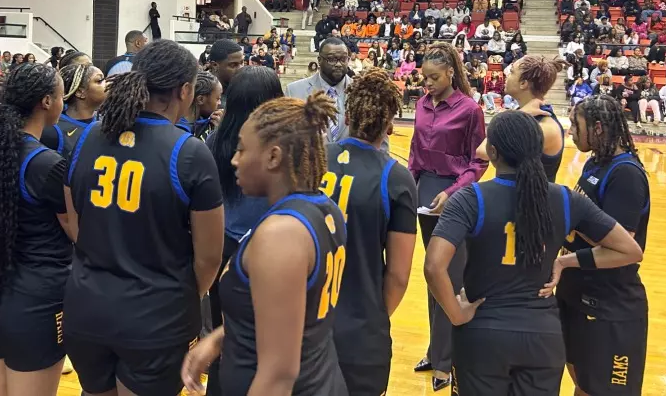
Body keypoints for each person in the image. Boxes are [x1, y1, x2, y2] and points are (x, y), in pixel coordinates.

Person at [425, 110, 643, 396]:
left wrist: (456, 314)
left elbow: (434, 266)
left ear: (493, 152)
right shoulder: (565, 198)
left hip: (484, 333)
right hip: (543, 336)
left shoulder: (471, 198)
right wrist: (566, 261)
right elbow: (630, 250)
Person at [62, 40, 225, 396]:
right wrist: (178, 296)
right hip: (155, 317)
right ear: (184, 90)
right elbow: (209, 257)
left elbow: (74, 224)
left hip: (86, 307)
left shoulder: (88, 137)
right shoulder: (188, 152)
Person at [181, 92, 348, 396]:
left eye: (242, 149)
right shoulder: (324, 208)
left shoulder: (281, 235)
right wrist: (220, 338)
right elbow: (291, 316)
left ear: (273, 157)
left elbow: (279, 374)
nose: (234, 160)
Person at [0, 63, 68, 395]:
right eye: (62, 95)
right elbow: (80, 234)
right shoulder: (47, 164)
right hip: (38, 299)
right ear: (47, 101)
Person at [321, 69, 418, 395]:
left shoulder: (314, 158)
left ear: (347, 116)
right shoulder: (396, 178)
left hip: (304, 324)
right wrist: (374, 317)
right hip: (360, 334)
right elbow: (399, 276)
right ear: (390, 125)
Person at [560, 95, 651, 396]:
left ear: (597, 127)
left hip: (609, 303)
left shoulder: (626, 174)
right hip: (575, 293)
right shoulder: (594, 162)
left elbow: (620, 249)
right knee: (582, 384)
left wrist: (565, 260)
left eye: (576, 125)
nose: (570, 131)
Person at [409, 43, 487, 391]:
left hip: (455, 196)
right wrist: (407, 188)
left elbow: (478, 161)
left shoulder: (470, 110)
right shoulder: (421, 104)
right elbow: (415, 154)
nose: (427, 83)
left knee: (450, 279)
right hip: (424, 194)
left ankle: (448, 361)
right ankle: (435, 350)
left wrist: (453, 192)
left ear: (451, 73)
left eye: (434, 77)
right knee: (432, 275)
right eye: (424, 77)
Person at [203, 66, 284, 395]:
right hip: (269, 250)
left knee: (223, 333)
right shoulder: (281, 145)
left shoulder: (214, 140)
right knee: (267, 336)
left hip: (224, 247)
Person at [40, 53, 107, 156]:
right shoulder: (53, 131)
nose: (107, 83)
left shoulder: (106, 121)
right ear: (80, 92)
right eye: (99, 80)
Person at [286, 37, 351, 142]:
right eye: (332, 59)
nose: (339, 64)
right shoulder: (294, 90)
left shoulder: (362, 91)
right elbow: (288, 136)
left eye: (343, 59)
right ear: (319, 60)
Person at [177, 71, 222, 140]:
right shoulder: (180, 130)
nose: (220, 103)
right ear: (200, 99)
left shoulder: (211, 121)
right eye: (218, 99)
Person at [206, 39, 245, 108]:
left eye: (242, 63)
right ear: (215, 65)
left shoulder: (243, 88)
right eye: (233, 65)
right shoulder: (203, 94)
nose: (241, 69)